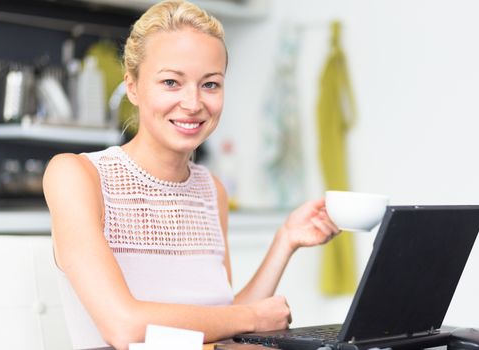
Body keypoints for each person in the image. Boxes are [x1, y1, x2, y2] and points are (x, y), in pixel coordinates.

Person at [43, 1, 340, 349]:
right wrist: (253, 318)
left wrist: (285, 241)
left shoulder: (211, 191)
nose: (193, 102)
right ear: (134, 86)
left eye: (210, 84)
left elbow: (218, 321)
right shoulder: (76, 175)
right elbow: (124, 327)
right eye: (171, 82)